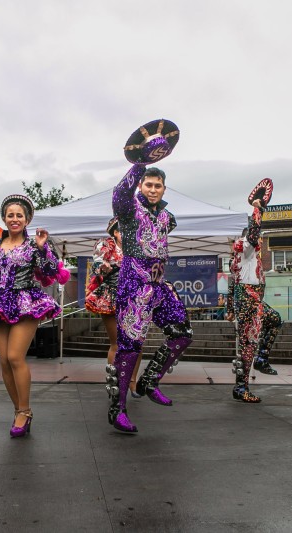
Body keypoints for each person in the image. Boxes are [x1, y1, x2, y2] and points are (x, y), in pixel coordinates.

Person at [0, 194, 68, 437]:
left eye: (19, 215)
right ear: (4, 219)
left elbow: (50, 270)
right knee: (4, 361)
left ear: (27, 220)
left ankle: (24, 411)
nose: (14, 219)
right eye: (10, 215)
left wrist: (42, 248)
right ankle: (19, 410)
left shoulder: (33, 245)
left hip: (25, 302)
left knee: (15, 356)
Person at [106, 163, 193, 433]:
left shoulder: (167, 217)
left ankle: (150, 379)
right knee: (130, 347)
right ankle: (118, 409)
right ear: (140, 186)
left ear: (164, 189)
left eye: (158, 186)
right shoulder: (129, 208)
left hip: (158, 285)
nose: (153, 190)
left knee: (182, 333)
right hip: (133, 284)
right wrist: (139, 162)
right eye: (148, 184)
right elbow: (119, 193)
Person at [226, 181, 280, 402]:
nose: (260, 240)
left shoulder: (244, 256)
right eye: (258, 237)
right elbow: (253, 233)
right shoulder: (247, 249)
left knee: (273, 320)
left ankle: (262, 359)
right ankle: (242, 386)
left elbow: (231, 283)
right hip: (248, 298)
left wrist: (230, 308)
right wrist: (258, 209)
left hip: (250, 298)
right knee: (248, 343)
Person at [85, 217, 142, 397]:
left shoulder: (139, 249)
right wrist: (104, 267)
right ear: (115, 233)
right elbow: (97, 267)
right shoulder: (106, 246)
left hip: (135, 298)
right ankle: (114, 384)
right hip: (112, 296)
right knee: (117, 343)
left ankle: (132, 382)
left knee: (136, 343)